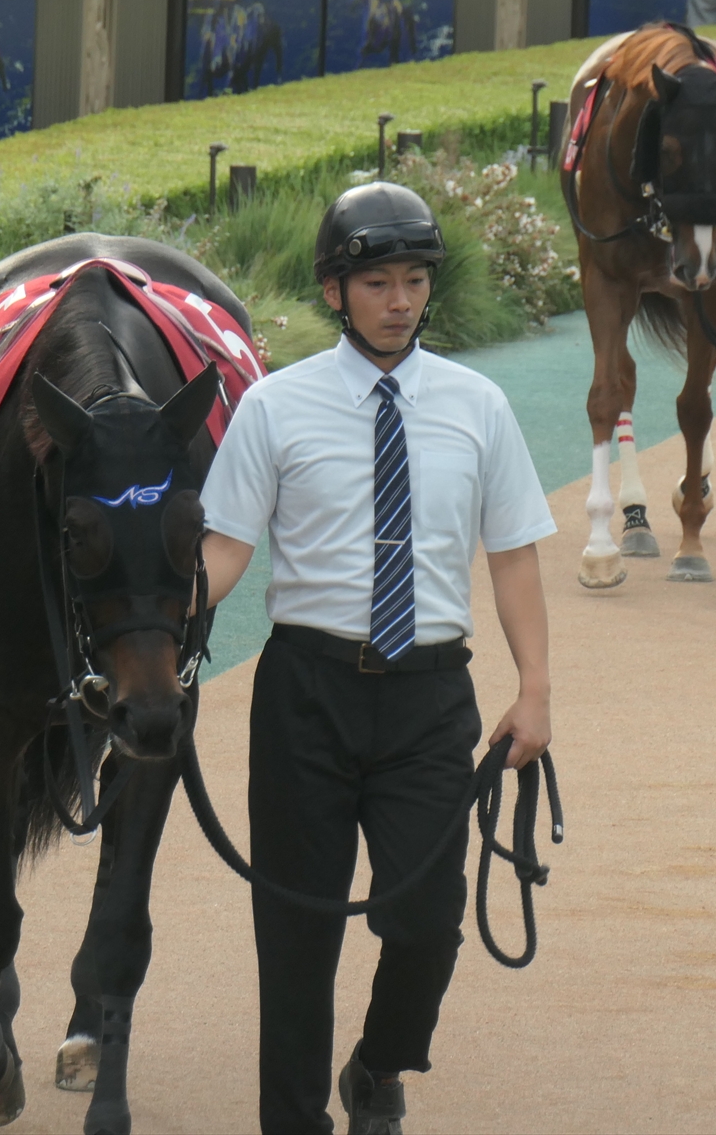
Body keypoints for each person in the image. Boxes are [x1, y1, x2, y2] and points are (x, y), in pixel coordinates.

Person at [198, 181, 556, 1134]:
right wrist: (156, 626)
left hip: (430, 700)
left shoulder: (479, 406)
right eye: (377, 284)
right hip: (305, 696)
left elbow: (513, 556)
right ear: (334, 291)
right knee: (297, 933)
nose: (400, 301)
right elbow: (226, 550)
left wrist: (535, 691)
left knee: (429, 921)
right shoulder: (274, 408)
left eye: (414, 281)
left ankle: (380, 1063)